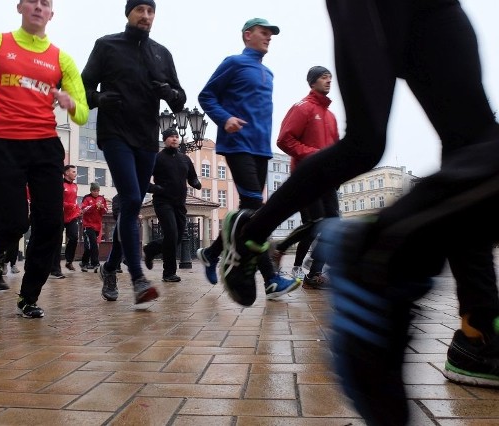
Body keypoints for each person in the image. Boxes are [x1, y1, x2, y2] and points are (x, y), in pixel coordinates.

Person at [219, 1, 499, 424]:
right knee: (368, 144)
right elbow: (287, 139)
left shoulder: (325, 109)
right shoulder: (300, 104)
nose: (328, 82)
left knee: (470, 144)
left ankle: (479, 330)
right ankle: (375, 254)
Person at [0, 0, 89, 318]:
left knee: (50, 223)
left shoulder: (62, 59)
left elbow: (83, 113)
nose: (38, 6)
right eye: (32, 1)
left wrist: (70, 102)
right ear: (20, 7)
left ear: (51, 14)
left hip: (45, 146)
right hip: (4, 142)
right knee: (15, 221)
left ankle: (28, 296)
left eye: (45, 3)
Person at [81, 0, 186, 304]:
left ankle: (111, 268)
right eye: (140, 9)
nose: (146, 15)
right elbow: (83, 89)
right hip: (115, 134)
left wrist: (168, 93)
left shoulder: (161, 53)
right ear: (128, 13)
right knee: (129, 200)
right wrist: (100, 98)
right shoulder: (107, 46)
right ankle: (138, 278)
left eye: (151, 11)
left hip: (145, 138)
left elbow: (180, 99)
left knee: (131, 208)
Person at [194, 17, 300, 301]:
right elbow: (206, 96)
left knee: (250, 210)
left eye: (271, 34)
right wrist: (225, 118)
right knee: (256, 209)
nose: (268, 38)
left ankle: (212, 252)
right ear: (247, 36)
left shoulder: (269, 74)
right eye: (263, 33)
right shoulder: (234, 63)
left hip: (261, 149)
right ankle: (270, 279)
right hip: (238, 144)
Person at [271, 66, 340, 290]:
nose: (329, 81)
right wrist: (314, 155)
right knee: (317, 222)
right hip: (307, 175)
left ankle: (314, 274)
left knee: (333, 225)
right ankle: (280, 247)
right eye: (323, 77)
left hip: (327, 179)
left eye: (330, 77)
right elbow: (284, 140)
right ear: (312, 82)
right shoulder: (303, 108)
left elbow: (335, 150)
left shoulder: (330, 116)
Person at [143, 128, 201, 282]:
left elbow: (192, 177)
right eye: (171, 137)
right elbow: (142, 179)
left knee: (176, 237)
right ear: (165, 140)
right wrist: (155, 188)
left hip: (179, 203)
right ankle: (169, 273)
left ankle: (151, 249)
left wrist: (196, 183)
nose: (175, 139)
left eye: (176, 136)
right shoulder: (157, 158)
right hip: (163, 202)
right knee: (172, 234)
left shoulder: (185, 159)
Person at [52, 165, 81, 276]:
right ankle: (55, 269)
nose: (75, 173)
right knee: (57, 241)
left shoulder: (75, 186)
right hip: (60, 216)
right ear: (66, 173)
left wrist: (78, 209)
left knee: (74, 237)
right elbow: (57, 200)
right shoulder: (60, 184)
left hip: (72, 217)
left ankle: (69, 261)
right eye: (73, 171)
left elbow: (74, 201)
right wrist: (69, 205)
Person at [79, 183, 107, 272]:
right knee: (91, 245)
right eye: (94, 191)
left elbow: (105, 211)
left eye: (98, 191)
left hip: (97, 226)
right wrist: (94, 205)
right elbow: (83, 209)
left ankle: (84, 262)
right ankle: (95, 263)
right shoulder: (86, 198)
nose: (96, 192)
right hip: (88, 225)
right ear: (91, 191)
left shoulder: (102, 199)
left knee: (92, 245)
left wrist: (102, 207)